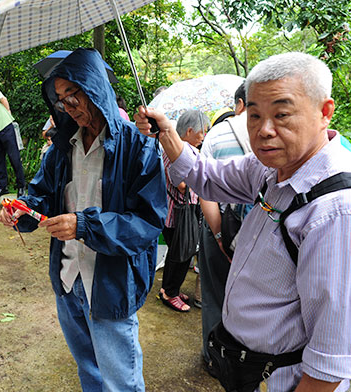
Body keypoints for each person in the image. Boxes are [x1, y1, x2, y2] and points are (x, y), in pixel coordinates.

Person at [135, 52, 351, 391]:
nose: (264, 131)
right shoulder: (269, 170)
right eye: (254, 115)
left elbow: (330, 359)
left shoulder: (335, 211)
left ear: (324, 113)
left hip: (286, 380)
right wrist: (168, 135)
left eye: (282, 115)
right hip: (249, 366)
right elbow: (206, 176)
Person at [0, 48, 167, 391]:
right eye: (60, 99)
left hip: (111, 282)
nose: (67, 106)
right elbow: (42, 196)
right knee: (88, 370)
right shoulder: (62, 148)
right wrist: (23, 211)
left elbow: (148, 223)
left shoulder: (139, 148)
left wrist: (85, 226)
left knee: (120, 380)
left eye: (73, 95)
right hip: (68, 278)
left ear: (95, 89)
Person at [197, 82, 252, 373]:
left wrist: (219, 234)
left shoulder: (217, 134)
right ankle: (244, 361)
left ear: (238, 104)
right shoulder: (273, 133)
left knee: (215, 294)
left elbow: (204, 190)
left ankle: (213, 356)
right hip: (258, 232)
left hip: (220, 227)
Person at [158, 109, 208, 313]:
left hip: (180, 211)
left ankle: (170, 290)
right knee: (181, 254)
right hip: (178, 213)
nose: (203, 136)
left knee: (178, 252)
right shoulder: (178, 149)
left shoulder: (179, 147)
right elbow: (180, 184)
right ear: (189, 130)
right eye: (202, 132)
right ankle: (169, 293)